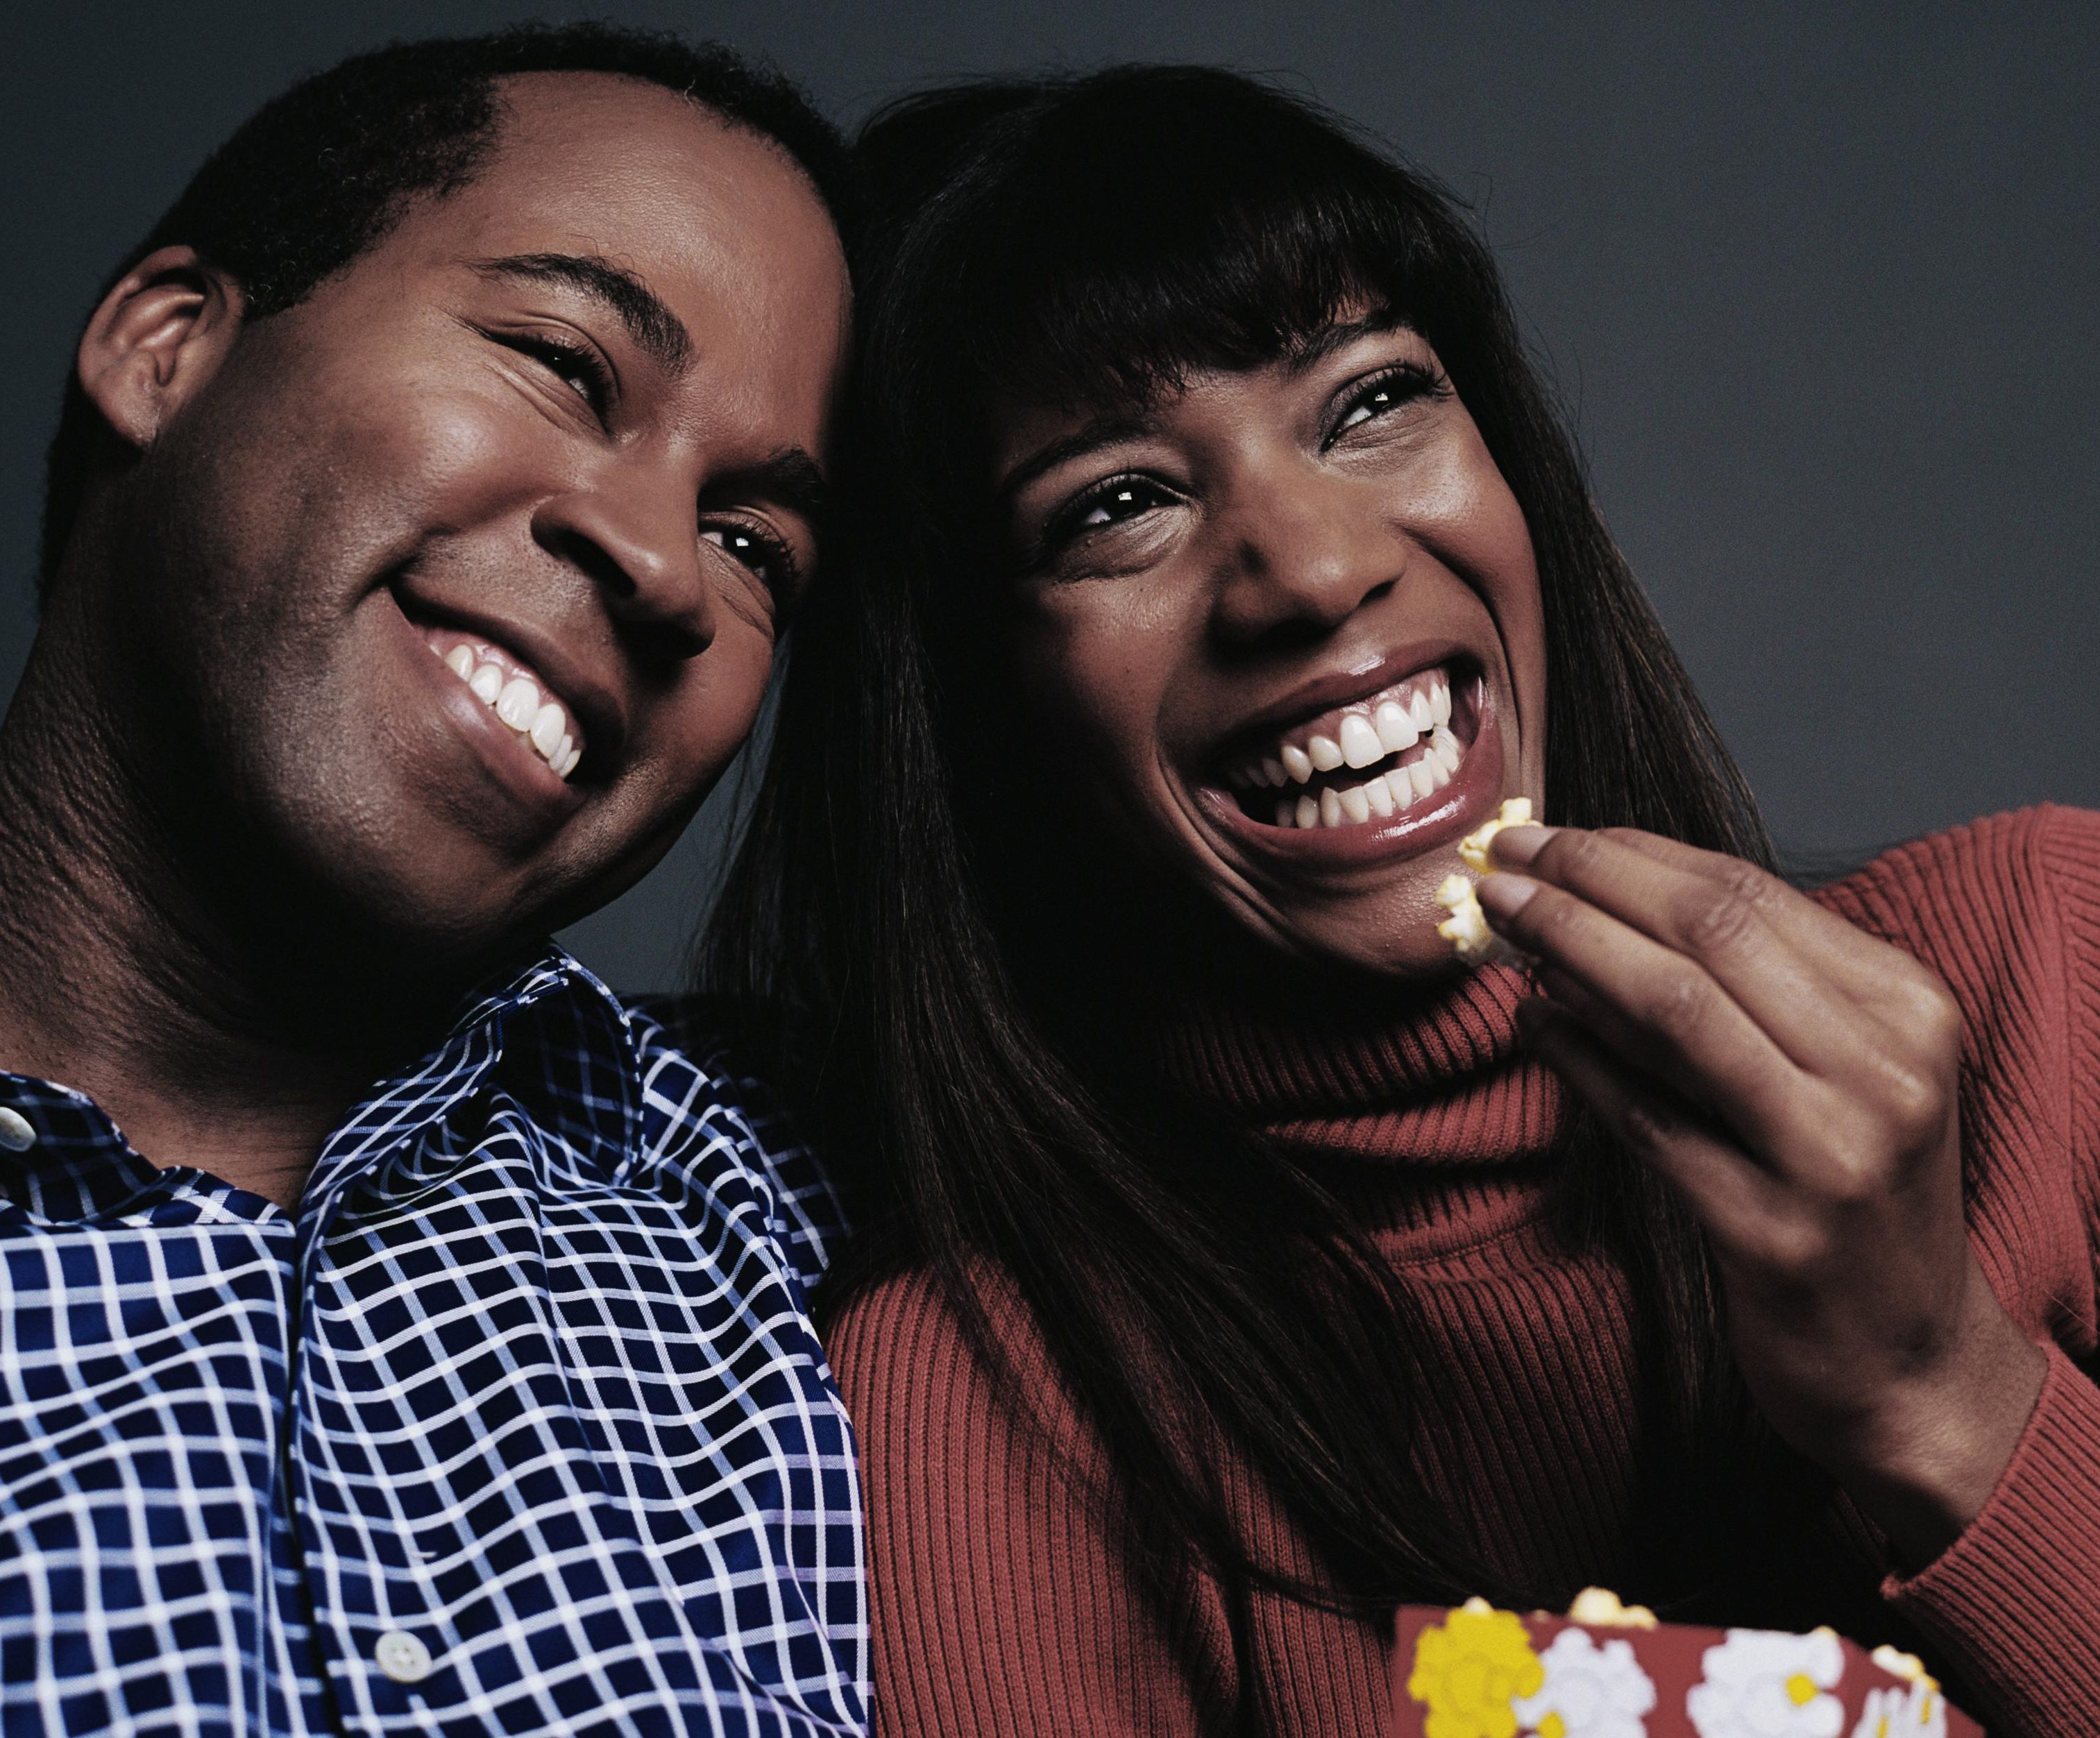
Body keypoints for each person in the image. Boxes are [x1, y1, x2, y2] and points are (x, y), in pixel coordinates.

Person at [703, 67, 2100, 1737]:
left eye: (1371, 400)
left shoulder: (2052, 966)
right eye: (1118, 503)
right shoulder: (988, 1410)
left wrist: (1944, 1390)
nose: (1312, 563)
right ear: (967, 721)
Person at [0, 26, 865, 1736]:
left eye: (759, 547)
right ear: (168, 351)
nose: (670, 566)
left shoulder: (798, 1202)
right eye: (565, 363)